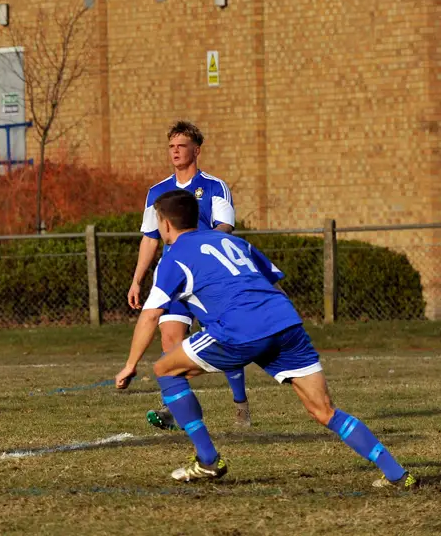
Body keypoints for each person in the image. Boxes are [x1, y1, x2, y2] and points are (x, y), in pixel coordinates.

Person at [121, 190, 417, 489]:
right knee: (323, 410)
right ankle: (396, 474)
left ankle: (208, 460)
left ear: (166, 224)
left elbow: (149, 316)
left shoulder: (173, 258)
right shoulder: (235, 241)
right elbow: (274, 285)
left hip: (240, 330)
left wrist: (130, 365)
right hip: (285, 323)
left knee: (164, 369)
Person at [120, 121, 248, 430]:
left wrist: (197, 247)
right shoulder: (157, 192)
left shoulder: (215, 186)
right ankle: (174, 406)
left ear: (196, 150)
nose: (175, 151)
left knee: (225, 337)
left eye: (181, 146)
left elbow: (225, 228)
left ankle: (241, 403)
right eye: (171, 147)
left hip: (207, 277)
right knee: (170, 338)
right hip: (174, 278)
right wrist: (137, 279)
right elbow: (150, 237)